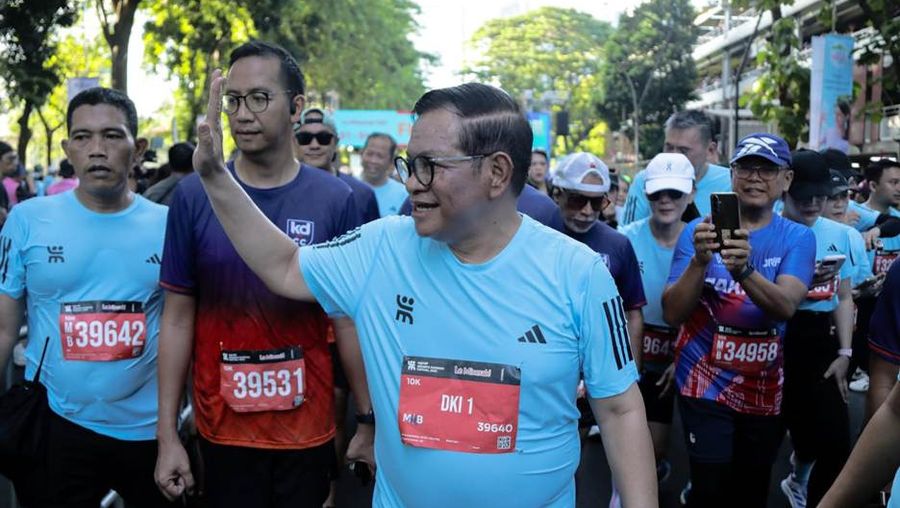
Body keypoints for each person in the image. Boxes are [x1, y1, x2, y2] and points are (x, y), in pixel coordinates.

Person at [189, 75, 658, 506]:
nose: (411, 182)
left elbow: (618, 410)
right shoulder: (381, 248)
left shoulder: (579, 273)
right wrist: (215, 176)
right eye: (409, 165)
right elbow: (286, 265)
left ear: (497, 173)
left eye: (430, 166)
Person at [154, 41, 373, 508]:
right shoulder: (194, 196)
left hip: (307, 427)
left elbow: (348, 320)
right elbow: (176, 318)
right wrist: (167, 435)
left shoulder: (336, 200)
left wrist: (367, 421)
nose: (242, 113)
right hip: (221, 428)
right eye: (232, 100)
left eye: (259, 98)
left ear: (295, 107)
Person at [0, 87, 171, 507]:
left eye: (112, 136)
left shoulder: (170, 225)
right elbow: (4, 329)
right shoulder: (27, 220)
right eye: (83, 137)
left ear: (138, 148)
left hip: (149, 430)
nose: (97, 150)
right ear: (68, 149)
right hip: (56, 424)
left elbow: (186, 323)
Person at [663, 133, 816, 508]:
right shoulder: (697, 233)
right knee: (709, 488)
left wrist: (743, 270)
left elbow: (785, 306)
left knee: (750, 490)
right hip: (704, 381)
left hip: (762, 387)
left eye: (767, 170)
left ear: (786, 180)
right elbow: (671, 313)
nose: (755, 178)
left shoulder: (798, 238)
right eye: (746, 168)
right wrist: (700, 262)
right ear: (732, 175)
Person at [778, 150, 855, 508]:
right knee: (774, 434)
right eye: (803, 197)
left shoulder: (840, 233)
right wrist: (802, 283)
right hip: (775, 337)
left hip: (820, 338)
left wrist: (845, 352)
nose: (812, 204)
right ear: (786, 191)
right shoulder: (770, 232)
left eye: (820, 197)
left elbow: (843, 296)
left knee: (836, 439)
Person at [620, 152, 696, 498]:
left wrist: (681, 355)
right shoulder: (625, 239)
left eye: (675, 193)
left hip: (689, 348)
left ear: (691, 194)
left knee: (684, 442)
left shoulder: (704, 239)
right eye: (657, 194)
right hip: (636, 349)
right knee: (644, 448)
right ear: (646, 193)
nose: (665, 201)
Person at [551, 152, 645, 366]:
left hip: (600, 367)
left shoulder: (619, 244)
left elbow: (633, 313)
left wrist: (632, 375)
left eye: (596, 202)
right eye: (577, 200)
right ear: (557, 194)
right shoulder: (535, 235)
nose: (587, 211)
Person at [622, 110, 730, 226]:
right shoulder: (644, 180)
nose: (673, 156)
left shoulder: (730, 182)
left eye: (683, 151)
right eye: (669, 147)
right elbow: (627, 236)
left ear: (710, 150)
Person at [295, 107, 380, 223]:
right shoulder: (278, 190)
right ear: (293, 143)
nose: (314, 145)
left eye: (323, 138)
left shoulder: (361, 194)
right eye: (305, 138)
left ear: (335, 143)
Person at [360, 132, 406, 216]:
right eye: (369, 154)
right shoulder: (348, 189)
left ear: (391, 161)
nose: (373, 160)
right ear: (362, 154)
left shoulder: (403, 195)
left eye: (380, 156)